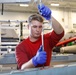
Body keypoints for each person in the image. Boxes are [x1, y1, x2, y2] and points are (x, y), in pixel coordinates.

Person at [15, 4, 64, 70]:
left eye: (40, 27)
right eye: (34, 27)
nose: (38, 30)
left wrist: (50, 18)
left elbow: (60, 32)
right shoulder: (21, 47)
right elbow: (22, 68)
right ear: (28, 27)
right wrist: (34, 61)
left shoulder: (46, 40)